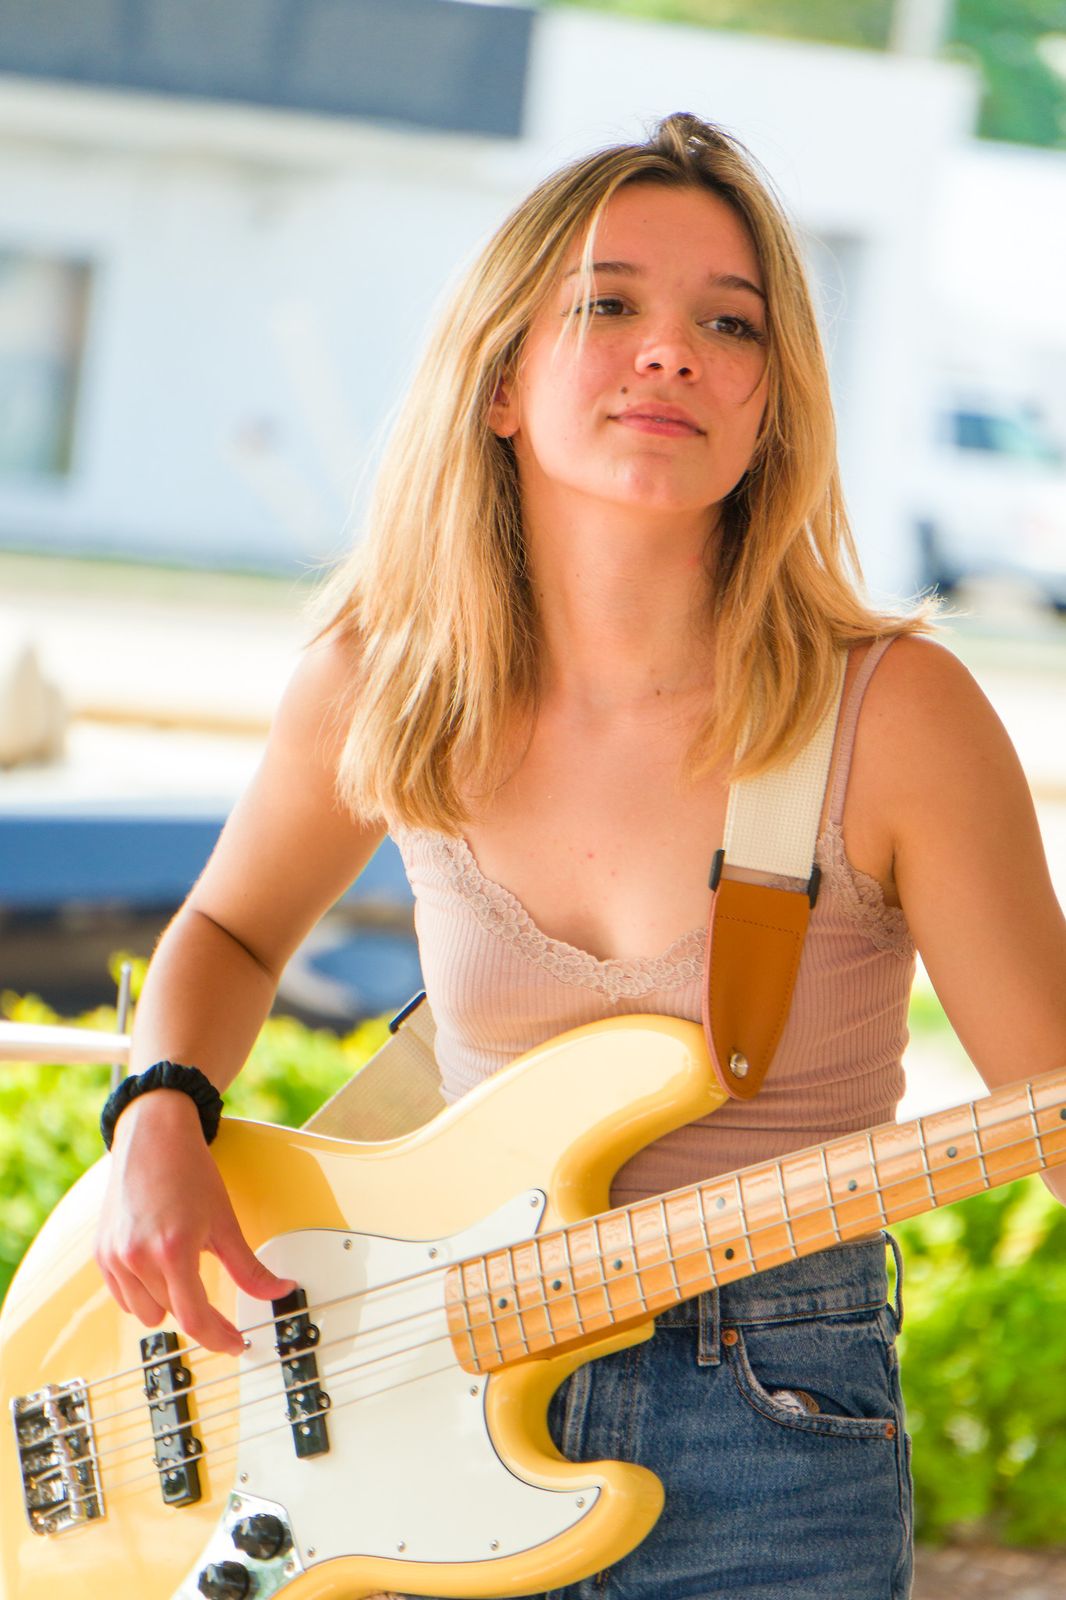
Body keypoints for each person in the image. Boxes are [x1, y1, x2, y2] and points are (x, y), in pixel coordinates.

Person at [95, 115, 1066, 1599]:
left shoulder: (895, 715)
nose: (669, 351)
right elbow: (229, 931)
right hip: (416, 1406)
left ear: (770, 408)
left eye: (729, 325)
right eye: (609, 304)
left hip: (776, 1425)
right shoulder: (384, 680)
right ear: (499, 381)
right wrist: (157, 1113)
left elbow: (1047, 1105)